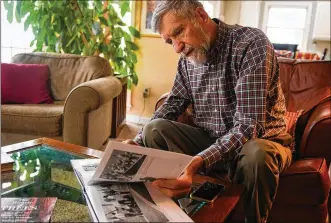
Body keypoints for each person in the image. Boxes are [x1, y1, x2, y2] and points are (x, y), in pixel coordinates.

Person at [123, 1, 292, 222]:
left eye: (179, 32)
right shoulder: (186, 61)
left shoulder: (251, 43)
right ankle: (175, 213)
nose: (177, 48)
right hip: (212, 139)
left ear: (201, 15)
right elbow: (172, 105)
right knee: (154, 129)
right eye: (169, 41)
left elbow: (249, 125)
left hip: (262, 141)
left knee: (255, 155)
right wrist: (137, 141)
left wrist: (199, 160)